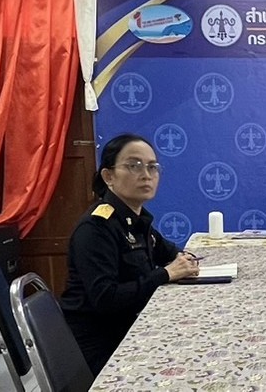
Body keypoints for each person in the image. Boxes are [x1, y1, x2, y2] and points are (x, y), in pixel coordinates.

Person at [60, 133, 200, 375]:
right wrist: (165, 274)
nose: (146, 174)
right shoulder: (96, 228)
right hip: (102, 345)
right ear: (108, 176)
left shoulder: (136, 219)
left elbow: (170, 252)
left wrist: (183, 260)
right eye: (134, 166)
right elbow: (106, 298)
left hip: (131, 326)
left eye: (152, 167)